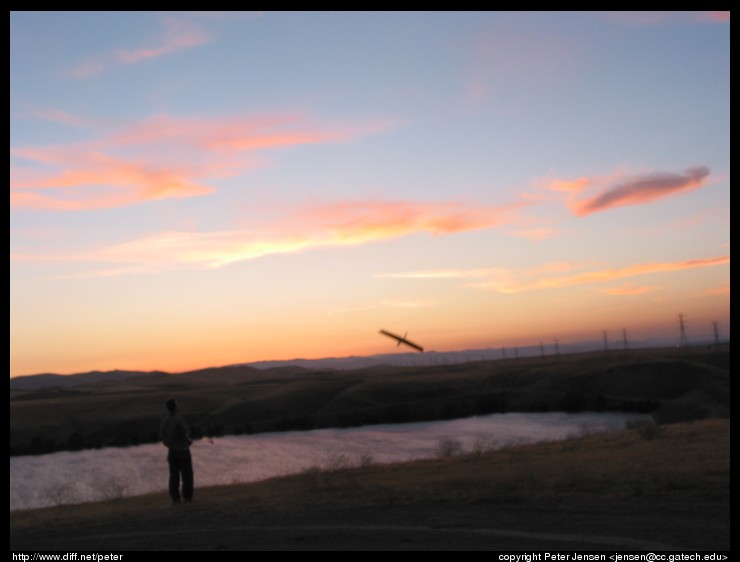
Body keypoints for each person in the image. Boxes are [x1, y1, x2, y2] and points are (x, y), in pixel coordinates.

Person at [159, 398, 194, 505]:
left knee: (174, 476)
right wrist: (189, 441)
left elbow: (162, 435)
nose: (178, 406)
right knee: (187, 475)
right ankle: (187, 497)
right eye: (177, 404)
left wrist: (168, 444)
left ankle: (175, 498)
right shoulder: (179, 419)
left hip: (172, 452)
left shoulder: (165, 421)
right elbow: (183, 433)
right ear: (175, 407)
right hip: (183, 451)